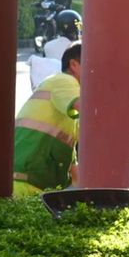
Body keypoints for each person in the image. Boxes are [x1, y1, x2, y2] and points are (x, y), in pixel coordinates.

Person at [13, 42, 81, 196]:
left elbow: (73, 166)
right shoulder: (65, 81)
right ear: (74, 64)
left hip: (30, 180)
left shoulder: (67, 110)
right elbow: (91, 111)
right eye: (92, 67)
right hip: (27, 181)